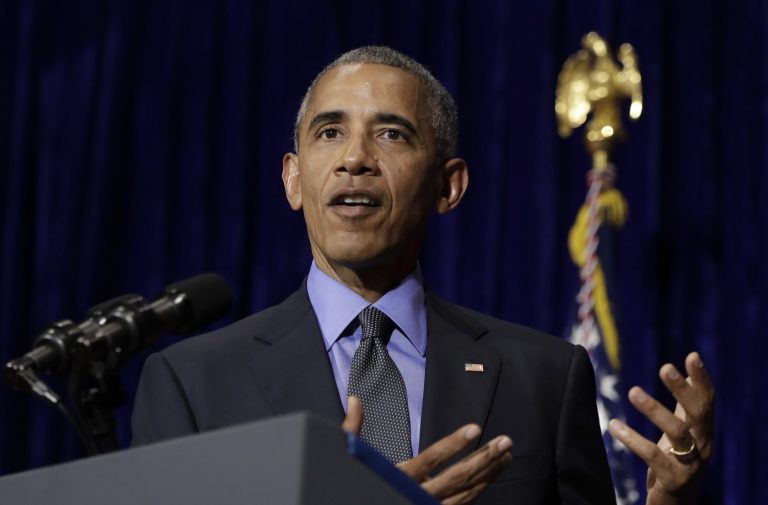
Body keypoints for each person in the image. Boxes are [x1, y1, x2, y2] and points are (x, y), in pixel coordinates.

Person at [131, 46, 714, 505]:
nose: (354, 157)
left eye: (391, 134)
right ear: (292, 179)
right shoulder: (193, 385)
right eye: (329, 132)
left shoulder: (545, 378)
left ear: (448, 185)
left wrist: (669, 503)